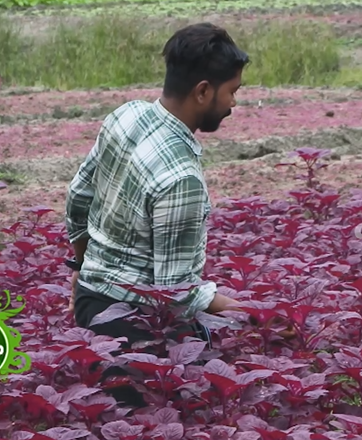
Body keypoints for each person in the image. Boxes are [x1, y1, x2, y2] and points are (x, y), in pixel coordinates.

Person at [63, 22, 293, 409]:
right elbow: (174, 294)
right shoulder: (181, 178)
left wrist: (81, 272)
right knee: (204, 399)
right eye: (232, 92)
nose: (234, 104)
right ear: (203, 91)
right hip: (134, 333)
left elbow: (77, 196)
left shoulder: (126, 115)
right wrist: (250, 312)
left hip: (91, 304)